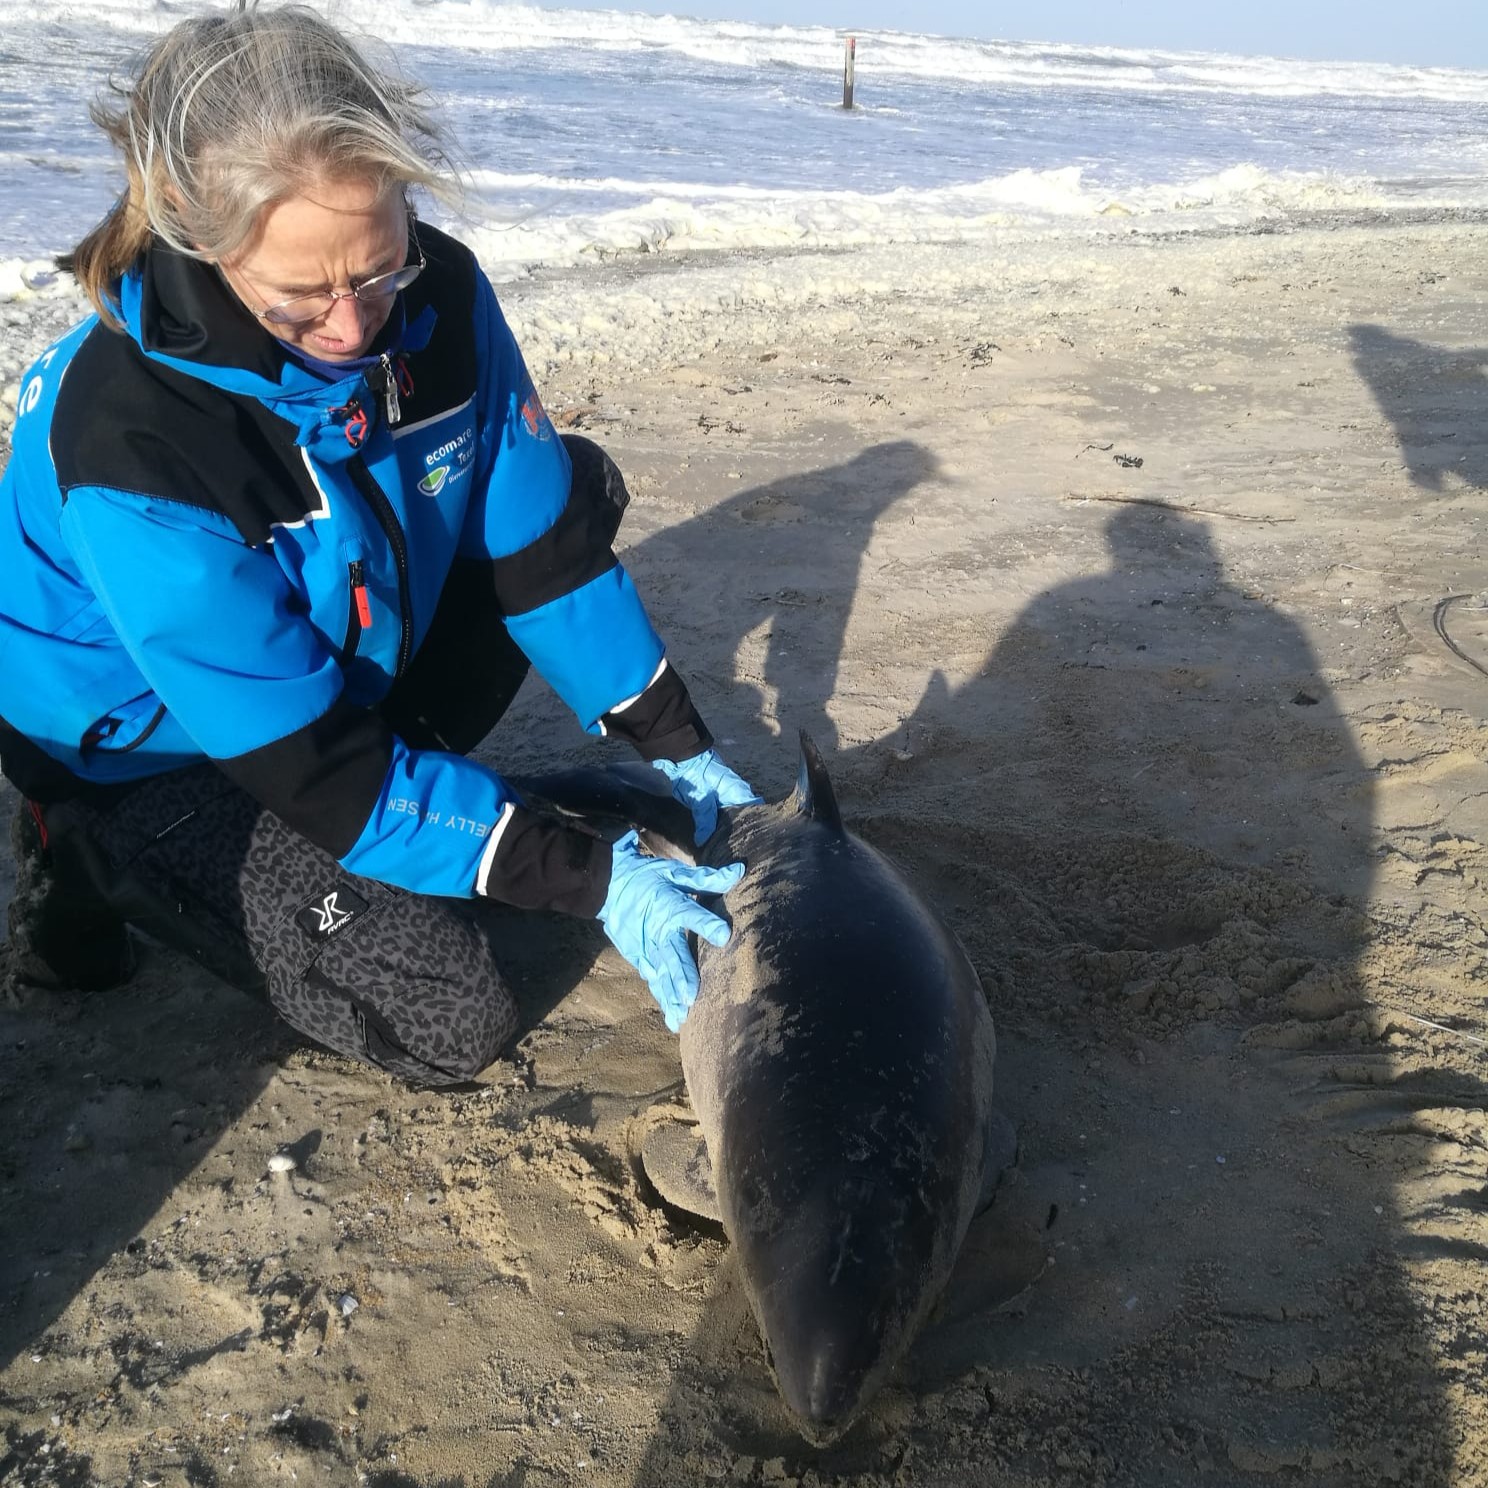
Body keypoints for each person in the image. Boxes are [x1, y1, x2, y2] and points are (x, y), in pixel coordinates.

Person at [0, 2, 760, 1086]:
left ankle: (458, 806)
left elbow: (541, 542)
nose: (356, 329)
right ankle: (70, 848)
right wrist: (587, 879)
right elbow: (311, 766)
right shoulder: (133, 440)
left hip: (335, 657)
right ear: (191, 230)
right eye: (302, 298)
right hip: (158, 751)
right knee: (447, 1011)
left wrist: (673, 738)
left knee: (579, 483)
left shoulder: (439, 294)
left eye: (377, 269)